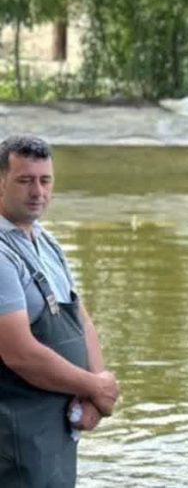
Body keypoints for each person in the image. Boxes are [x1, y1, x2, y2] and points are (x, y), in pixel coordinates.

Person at [0, 135, 120, 488]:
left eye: (45, 180)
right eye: (25, 181)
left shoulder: (47, 241)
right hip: (14, 436)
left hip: (54, 431)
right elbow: (19, 353)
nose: (38, 191)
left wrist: (99, 391)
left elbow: (80, 316)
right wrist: (93, 384)